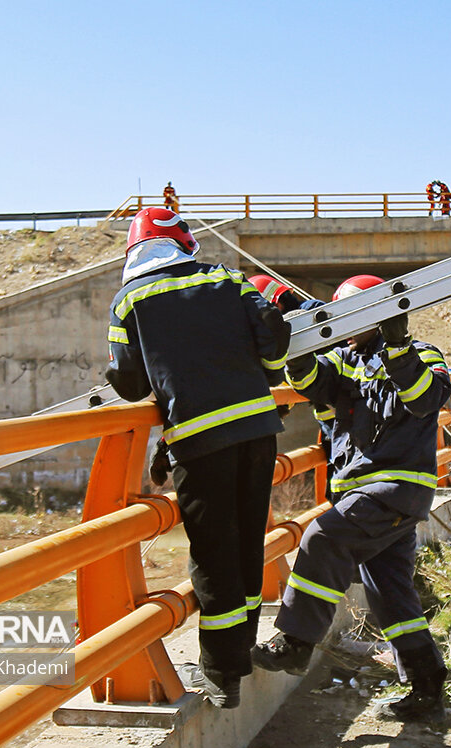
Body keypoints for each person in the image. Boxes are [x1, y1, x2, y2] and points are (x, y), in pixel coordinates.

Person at [105, 208, 290, 710]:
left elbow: (129, 384)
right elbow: (272, 344)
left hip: (200, 440)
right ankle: (241, 650)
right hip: (257, 431)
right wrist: (267, 372)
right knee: (249, 541)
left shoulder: (131, 300)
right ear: (182, 243)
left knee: (213, 554)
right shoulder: (230, 279)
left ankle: (221, 673)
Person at [252, 274, 451, 722]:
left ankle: (295, 643)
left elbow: (424, 400)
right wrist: (299, 337)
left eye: (359, 316)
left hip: (394, 486)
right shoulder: (344, 359)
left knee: (320, 537)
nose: (351, 326)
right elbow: (311, 380)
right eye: (345, 318)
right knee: (389, 591)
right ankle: (426, 686)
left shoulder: (422, 353)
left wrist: (398, 348)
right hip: (361, 489)